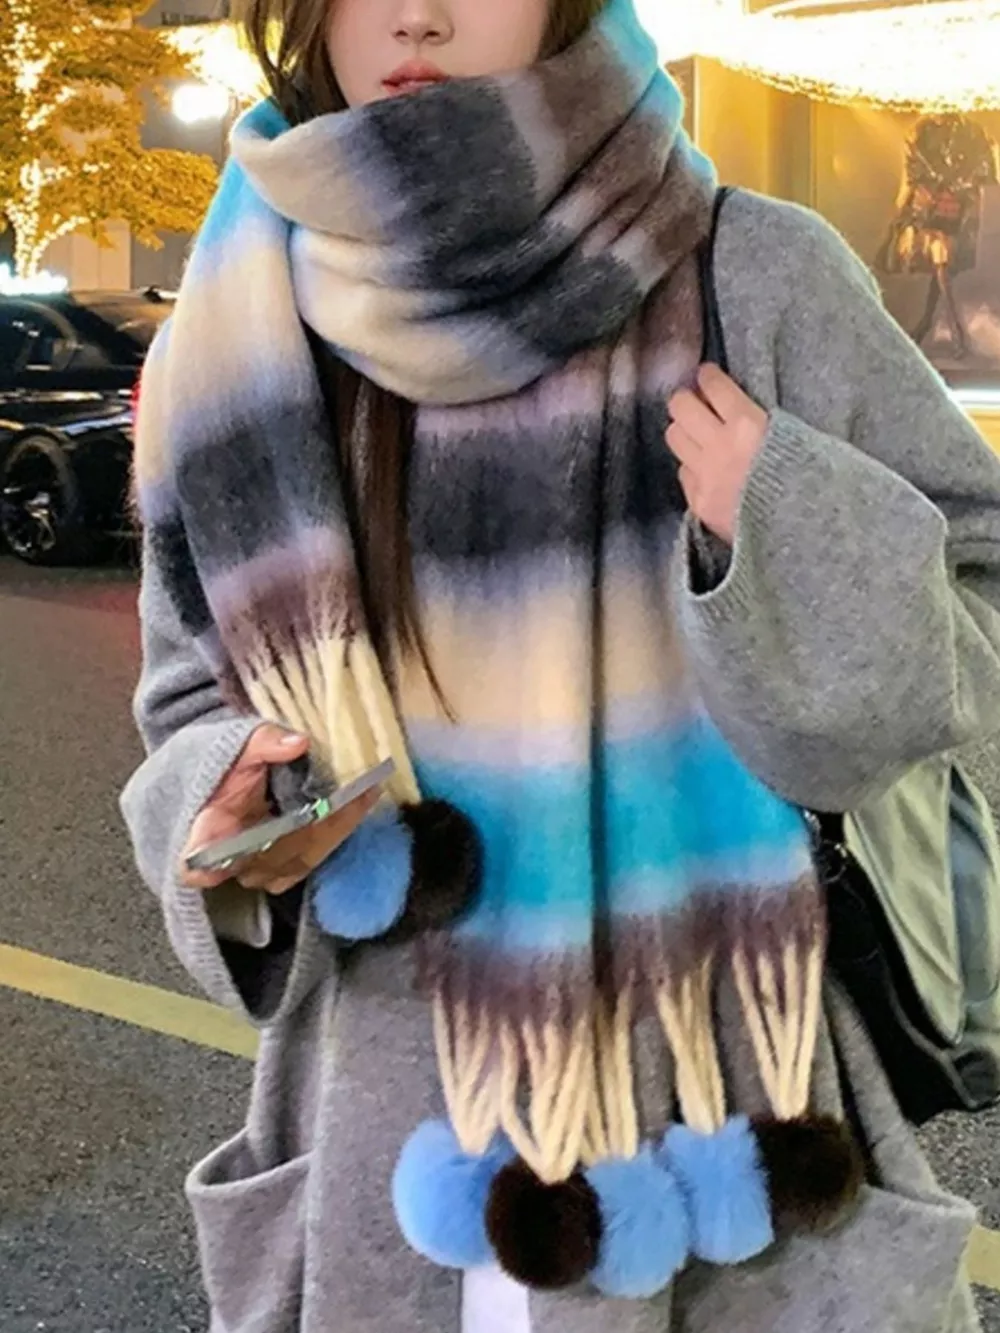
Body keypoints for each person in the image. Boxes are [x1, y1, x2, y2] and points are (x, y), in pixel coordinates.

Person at [120, 0, 1000, 1329]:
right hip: (385, 1133)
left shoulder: (752, 273)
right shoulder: (236, 333)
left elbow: (975, 606)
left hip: (718, 1108)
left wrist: (783, 524)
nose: (417, 14)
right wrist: (223, 792)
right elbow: (186, 691)